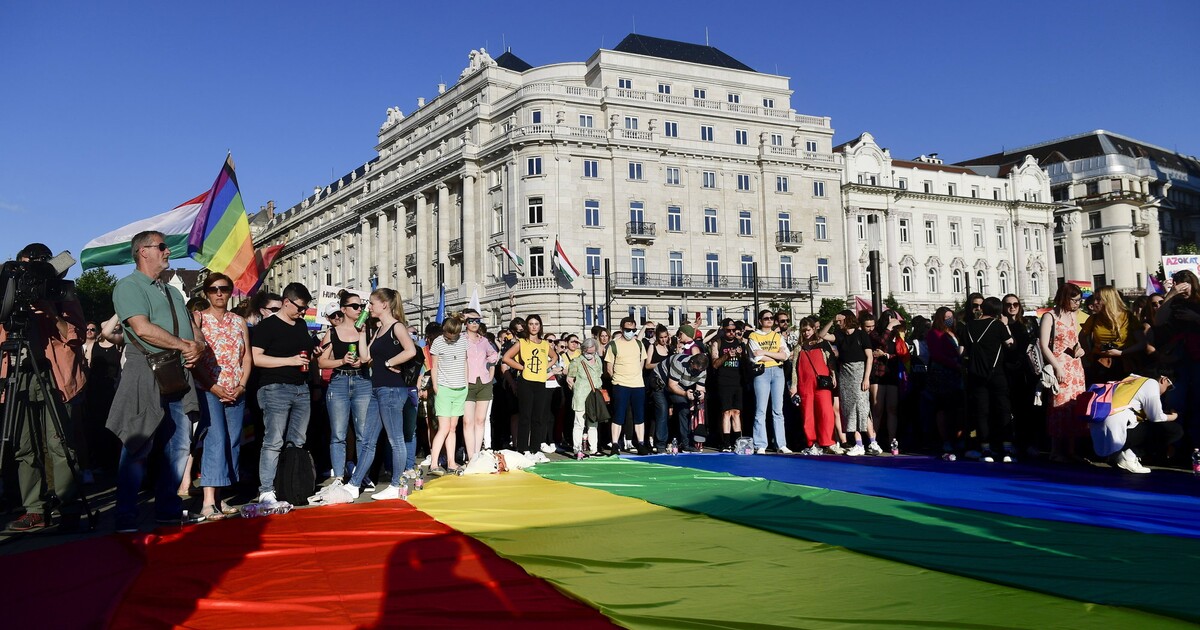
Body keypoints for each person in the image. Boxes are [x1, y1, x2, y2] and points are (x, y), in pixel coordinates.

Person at [107, 232, 206, 532]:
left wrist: (198, 345)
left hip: (177, 372)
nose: (167, 251)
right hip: (145, 369)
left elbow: (193, 329)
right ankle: (125, 515)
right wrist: (184, 345)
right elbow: (142, 328)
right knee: (138, 443)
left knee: (178, 445)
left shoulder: (174, 292)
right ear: (142, 252)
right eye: (161, 246)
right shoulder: (128, 286)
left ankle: (168, 509)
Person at [1, 243, 89, 531]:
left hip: (55, 375)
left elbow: (75, 337)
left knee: (60, 444)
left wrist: (51, 312)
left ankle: (69, 509)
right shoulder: (9, 290)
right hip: (19, 373)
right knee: (23, 446)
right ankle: (35, 509)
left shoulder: (59, 292)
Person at [335, 288, 418, 498]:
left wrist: (391, 362)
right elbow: (364, 357)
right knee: (368, 440)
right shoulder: (380, 329)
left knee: (395, 439)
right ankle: (354, 484)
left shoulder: (397, 327)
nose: (368, 307)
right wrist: (362, 333)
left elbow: (411, 350)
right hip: (377, 388)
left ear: (384, 305)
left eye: (371, 303)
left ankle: (397, 484)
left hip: (392, 389)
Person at [250, 282, 315, 505]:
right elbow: (256, 358)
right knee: (273, 441)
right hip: (275, 388)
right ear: (286, 302)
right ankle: (266, 489)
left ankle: (291, 483)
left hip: (301, 387)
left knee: (297, 440)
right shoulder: (266, 327)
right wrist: (290, 361)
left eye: (305, 308)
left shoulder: (300, 325)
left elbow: (303, 351)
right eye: (299, 307)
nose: (302, 312)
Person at [192, 273, 251, 520]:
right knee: (216, 439)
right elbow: (193, 358)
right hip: (209, 389)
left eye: (224, 289)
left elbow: (246, 356)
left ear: (230, 292)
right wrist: (213, 387)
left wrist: (242, 385)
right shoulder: (198, 319)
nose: (219, 293)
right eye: (214, 289)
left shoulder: (239, 321)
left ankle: (220, 497)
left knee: (233, 442)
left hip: (235, 389)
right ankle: (207, 501)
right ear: (206, 293)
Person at [317, 291, 371, 482]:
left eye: (361, 307)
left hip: (362, 381)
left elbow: (368, 358)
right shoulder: (332, 332)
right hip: (339, 382)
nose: (360, 310)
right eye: (355, 306)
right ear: (344, 309)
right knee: (338, 433)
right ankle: (339, 476)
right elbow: (322, 362)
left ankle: (360, 475)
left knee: (362, 433)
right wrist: (341, 360)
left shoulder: (365, 329)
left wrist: (363, 361)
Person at [1089, 374, 1182, 473]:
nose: (1165, 392)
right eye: (1167, 388)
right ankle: (1130, 455)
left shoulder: (1133, 380)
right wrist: (1174, 416)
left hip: (1100, 432)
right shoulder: (1152, 384)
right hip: (1116, 432)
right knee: (1174, 430)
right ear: (1163, 380)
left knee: (1146, 424)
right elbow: (1156, 417)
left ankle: (1116, 455)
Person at [962, 297, 1015, 463]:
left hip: (976, 375)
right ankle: (1007, 450)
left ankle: (985, 449)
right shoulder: (998, 325)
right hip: (996, 373)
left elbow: (962, 352)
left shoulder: (968, 326)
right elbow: (1010, 345)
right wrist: (1005, 326)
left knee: (981, 412)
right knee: (1003, 409)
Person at [1040, 283, 1089, 463]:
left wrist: (1080, 350)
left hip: (1075, 366)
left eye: (1079, 300)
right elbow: (1044, 345)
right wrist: (1057, 366)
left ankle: (1071, 449)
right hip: (1059, 364)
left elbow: (1076, 341)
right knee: (1058, 406)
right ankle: (1055, 450)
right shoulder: (1050, 316)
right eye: (1074, 300)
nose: (1077, 304)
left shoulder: (1074, 316)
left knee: (1074, 406)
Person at [502, 314, 557, 455]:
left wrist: (546, 366)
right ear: (527, 326)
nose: (533, 327)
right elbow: (506, 358)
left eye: (536, 324)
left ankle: (535, 448)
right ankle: (523, 448)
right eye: (531, 324)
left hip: (540, 381)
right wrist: (522, 367)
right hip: (526, 381)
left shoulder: (544, 343)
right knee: (525, 416)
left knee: (538, 417)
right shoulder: (522, 342)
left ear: (540, 326)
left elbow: (555, 357)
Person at [789, 317, 839, 455]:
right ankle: (812, 443)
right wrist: (794, 386)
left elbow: (831, 361)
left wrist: (833, 374)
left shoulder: (823, 343)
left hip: (822, 382)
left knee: (826, 412)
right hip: (804, 384)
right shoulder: (799, 347)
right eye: (803, 331)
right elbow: (794, 368)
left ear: (814, 329)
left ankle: (828, 442)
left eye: (808, 330)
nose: (806, 333)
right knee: (807, 414)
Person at [833, 309, 877, 456]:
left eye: (840, 320)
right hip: (845, 374)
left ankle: (873, 442)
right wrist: (832, 320)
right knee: (850, 410)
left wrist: (866, 378)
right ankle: (859, 444)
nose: (839, 323)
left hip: (859, 373)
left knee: (863, 409)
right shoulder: (839, 335)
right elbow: (821, 335)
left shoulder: (861, 334)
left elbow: (869, 357)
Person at [603, 316, 649, 455]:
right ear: (622, 329)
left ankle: (640, 443)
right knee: (618, 415)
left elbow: (641, 364)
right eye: (628, 329)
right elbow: (609, 368)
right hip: (620, 384)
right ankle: (615, 444)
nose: (631, 332)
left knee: (639, 415)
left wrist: (635, 376)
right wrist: (617, 379)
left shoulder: (639, 344)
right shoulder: (613, 345)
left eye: (633, 329)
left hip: (637, 384)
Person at [429, 314, 468, 475]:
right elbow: (434, 366)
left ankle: (451, 462)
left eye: (454, 336)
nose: (450, 339)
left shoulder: (463, 341)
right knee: (443, 428)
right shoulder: (438, 342)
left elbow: (465, 361)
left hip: (460, 389)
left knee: (453, 428)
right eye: (448, 336)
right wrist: (436, 388)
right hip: (444, 388)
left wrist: (466, 383)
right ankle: (433, 463)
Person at [747, 310, 790, 454]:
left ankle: (781, 443)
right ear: (760, 321)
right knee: (761, 409)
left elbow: (785, 356)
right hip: (762, 372)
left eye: (772, 318)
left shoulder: (777, 336)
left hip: (778, 372)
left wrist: (765, 353)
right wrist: (777, 356)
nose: (770, 320)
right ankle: (760, 444)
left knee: (778, 410)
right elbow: (756, 357)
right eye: (766, 318)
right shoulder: (753, 336)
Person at [461, 308, 498, 461]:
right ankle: (471, 457)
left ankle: (477, 454)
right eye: (471, 320)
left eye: (477, 320)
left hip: (483, 382)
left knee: (480, 420)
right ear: (465, 322)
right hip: (466, 382)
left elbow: (494, 354)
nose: (475, 323)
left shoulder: (484, 341)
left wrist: (490, 365)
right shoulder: (460, 339)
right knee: (467, 421)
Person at [927, 306, 963, 460]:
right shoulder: (934, 334)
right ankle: (946, 440)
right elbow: (937, 354)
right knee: (943, 408)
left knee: (956, 407)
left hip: (956, 373)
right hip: (942, 373)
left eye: (951, 316)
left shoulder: (953, 333)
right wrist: (955, 364)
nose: (950, 319)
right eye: (947, 317)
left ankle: (957, 439)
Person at [1081, 286, 1135, 384]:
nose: (1095, 303)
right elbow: (1082, 336)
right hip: (1100, 363)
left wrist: (1121, 353)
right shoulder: (1094, 318)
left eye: (1098, 299)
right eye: (1094, 299)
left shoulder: (1128, 317)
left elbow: (1142, 343)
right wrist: (1088, 354)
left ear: (1108, 300)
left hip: (1125, 362)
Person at [658, 350, 709, 451]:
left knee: (685, 410)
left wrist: (700, 395)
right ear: (691, 363)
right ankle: (660, 444)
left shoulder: (702, 370)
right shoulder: (679, 363)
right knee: (663, 410)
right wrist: (685, 394)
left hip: (679, 385)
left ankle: (685, 444)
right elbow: (671, 386)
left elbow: (701, 389)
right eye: (695, 370)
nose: (696, 373)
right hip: (661, 381)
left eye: (699, 371)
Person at [709, 319, 746, 451]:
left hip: (738, 381)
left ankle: (737, 442)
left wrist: (742, 355)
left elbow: (746, 363)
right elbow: (714, 364)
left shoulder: (740, 342)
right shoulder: (717, 343)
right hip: (724, 381)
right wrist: (726, 356)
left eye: (733, 330)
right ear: (723, 330)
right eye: (728, 330)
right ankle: (726, 442)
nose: (731, 333)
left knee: (736, 412)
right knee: (726, 412)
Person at [565, 337, 605, 455]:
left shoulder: (598, 360)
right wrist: (576, 389)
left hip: (594, 396)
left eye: (592, 352)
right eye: (588, 352)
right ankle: (577, 449)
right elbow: (569, 379)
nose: (590, 355)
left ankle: (594, 449)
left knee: (593, 424)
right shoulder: (576, 361)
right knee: (579, 423)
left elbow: (599, 375)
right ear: (583, 350)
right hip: (581, 396)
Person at [645, 324, 672, 451]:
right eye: (661, 337)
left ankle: (665, 440)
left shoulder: (670, 349)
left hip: (669, 384)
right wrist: (661, 364)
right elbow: (647, 365)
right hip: (656, 384)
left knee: (666, 413)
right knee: (662, 410)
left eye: (666, 337)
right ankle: (659, 442)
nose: (664, 340)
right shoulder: (653, 347)